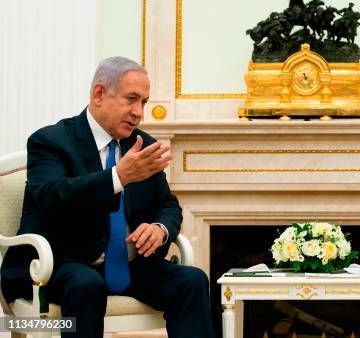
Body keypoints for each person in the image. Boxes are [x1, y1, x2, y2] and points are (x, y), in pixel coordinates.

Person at [0, 56, 215, 337]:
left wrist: (160, 229)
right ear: (99, 93)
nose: (139, 112)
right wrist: (118, 177)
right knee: (86, 284)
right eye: (131, 99)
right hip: (61, 265)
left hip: (130, 266)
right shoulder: (51, 140)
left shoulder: (142, 145)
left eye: (144, 102)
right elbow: (52, 195)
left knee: (192, 280)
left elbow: (167, 203)